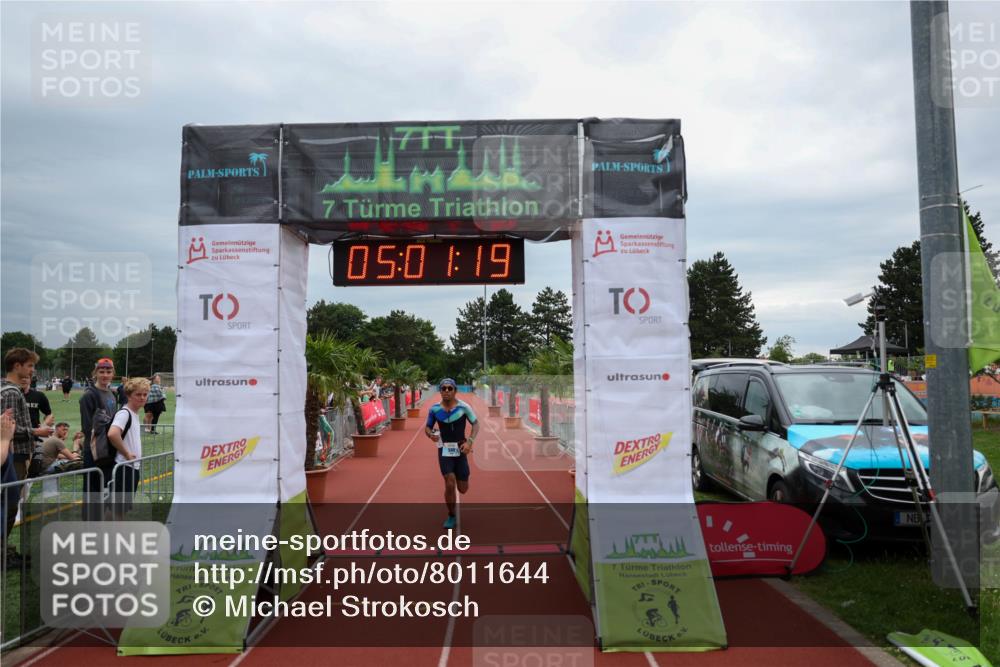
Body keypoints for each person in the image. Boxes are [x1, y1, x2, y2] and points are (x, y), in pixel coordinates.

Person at [1, 349, 53, 565]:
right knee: (10, 502)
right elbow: (8, 428)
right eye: (30, 365)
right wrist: (36, 432)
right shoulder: (11, 392)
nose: (33, 370)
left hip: (12, 452)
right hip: (14, 454)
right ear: (17, 366)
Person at [424, 378, 479, 529]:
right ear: (440, 391)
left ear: (455, 390)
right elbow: (427, 427)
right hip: (444, 449)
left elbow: (475, 423)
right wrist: (430, 435)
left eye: (450, 388)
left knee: (463, 489)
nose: (447, 391)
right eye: (444, 388)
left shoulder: (463, 407)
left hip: (461, 448)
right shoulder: (434, 409)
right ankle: (451, 515)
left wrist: (470, 442)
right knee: (449, 481)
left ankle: (462, 477)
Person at [80, 358, 118, 520]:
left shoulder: (112, 394)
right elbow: (88, 428)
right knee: (92, 491)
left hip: (109, 449)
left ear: (113, 374)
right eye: (101, 371)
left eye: (108, 372)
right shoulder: (89, 396)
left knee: (107, 487)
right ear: (95, 373)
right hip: (94, 450)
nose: (105, 375)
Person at [109, 377, 149, 518]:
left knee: (121, 509)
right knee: (118, 509)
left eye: (145, 394)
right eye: (138, 394)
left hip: (131, 467)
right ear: (128, 396)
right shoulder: (124, 413)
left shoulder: (134, 414)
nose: (142, 397)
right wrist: (126, 454)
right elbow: (113, 434)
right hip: (124, 467)